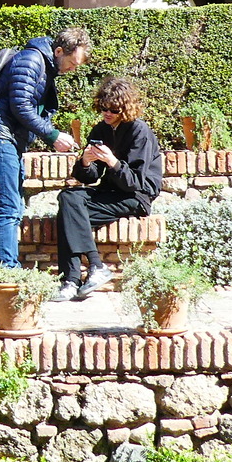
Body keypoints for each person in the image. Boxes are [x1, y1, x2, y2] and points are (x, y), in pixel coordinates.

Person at [0, 28, 89, 270]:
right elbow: (21, 106)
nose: (72, 69)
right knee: (8, 207)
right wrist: (53, 135)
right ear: (59, 51)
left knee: (14, 206)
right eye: (72, 63)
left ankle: (8, 270)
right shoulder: (31, 60)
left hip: (7, 138)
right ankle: (7, 274)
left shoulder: (44, 65)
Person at [52, 76, 162, 301]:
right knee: (68, 200)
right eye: (104, 108)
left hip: (136, 196)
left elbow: (136, 182)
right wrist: (86, 162)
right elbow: (89, 177)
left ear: (125, 108)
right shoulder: (101, 130)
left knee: (68, 214)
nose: (107, 113)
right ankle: (86, 272)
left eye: (114, 109)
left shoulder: (139, 131)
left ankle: (73, 278)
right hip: (109, 192)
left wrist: (112, 161)